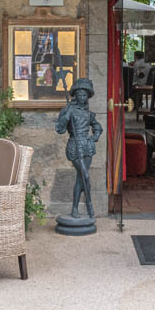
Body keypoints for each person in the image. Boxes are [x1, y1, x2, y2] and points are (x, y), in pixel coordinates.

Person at [55, 78, 103, 218]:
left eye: (84, 95)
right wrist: (67, 115)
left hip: (87, 146)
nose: (82, 97)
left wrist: (95, 136)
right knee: (85, 176)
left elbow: (97, 127)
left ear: (87, 97)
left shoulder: (88, 113)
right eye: (79, 94)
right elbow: (60, 129)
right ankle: (89, 204)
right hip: (74, 145)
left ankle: (75, 209)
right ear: (75, 96)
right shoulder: (68, 110)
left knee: (80, 178)